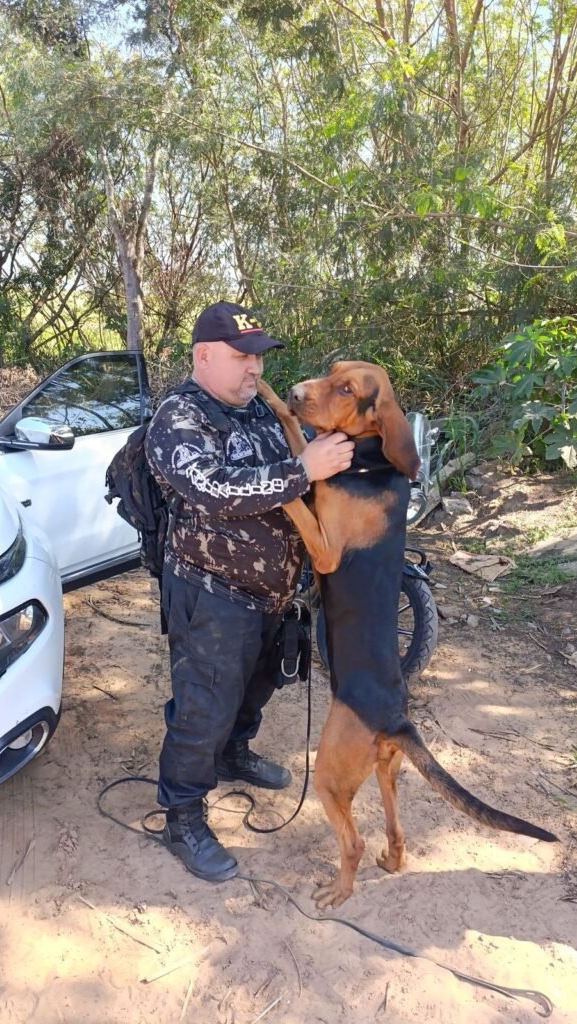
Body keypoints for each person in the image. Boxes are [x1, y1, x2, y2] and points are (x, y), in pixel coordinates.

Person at [145, 301, 354, 882]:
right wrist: (303, 470)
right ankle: (183, 818)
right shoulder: (179, 417)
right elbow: (212, 489)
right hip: (211, 592)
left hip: (274, 594)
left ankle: (235, 752)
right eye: (241, 357)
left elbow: (297, 468)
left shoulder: (259, 408)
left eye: (258, 358)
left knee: (256, 687)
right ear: (203, 357)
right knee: (203, 708)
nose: (255, 369)